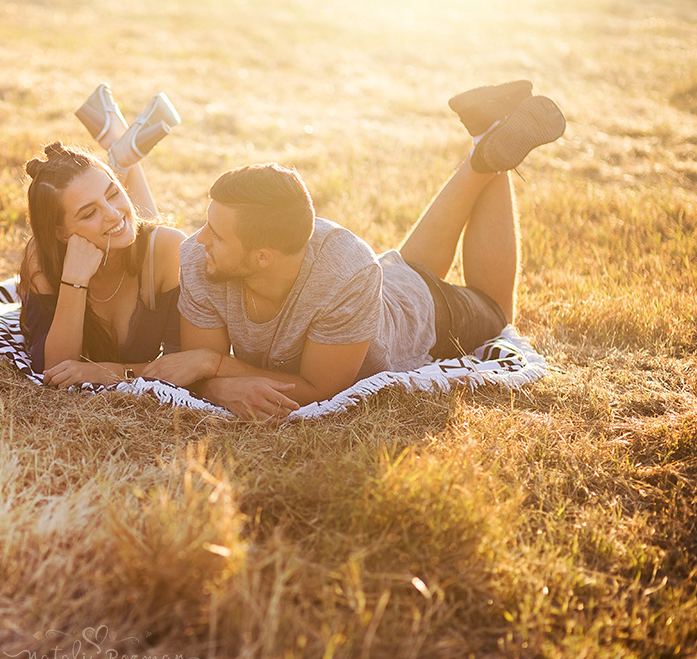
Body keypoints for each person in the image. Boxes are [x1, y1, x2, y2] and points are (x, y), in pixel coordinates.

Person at [142, 81, 565, 420]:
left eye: (216, 232)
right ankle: (484, 135)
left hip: (428, 312)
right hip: (384, 282)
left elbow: (317, 389)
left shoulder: (346, 272)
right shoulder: (204, 259)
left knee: (497, 311)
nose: (199, 239)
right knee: (409, 266)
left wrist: (215, 370)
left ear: (262, 257)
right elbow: (196, 365)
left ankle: (491, 152)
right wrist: (213, 377)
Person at [19, 86, 186, 387]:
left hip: (151, 247)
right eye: (88, 213)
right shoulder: (42, 257)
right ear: (61, 233)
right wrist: (74, 280)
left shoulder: (170, 249)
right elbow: (53, 369)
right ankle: (121, 154)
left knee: (141, 227)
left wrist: (110, 372)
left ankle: (121, 159)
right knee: (127, 222)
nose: (110, 212)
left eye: (114, 192)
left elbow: (186, 364)